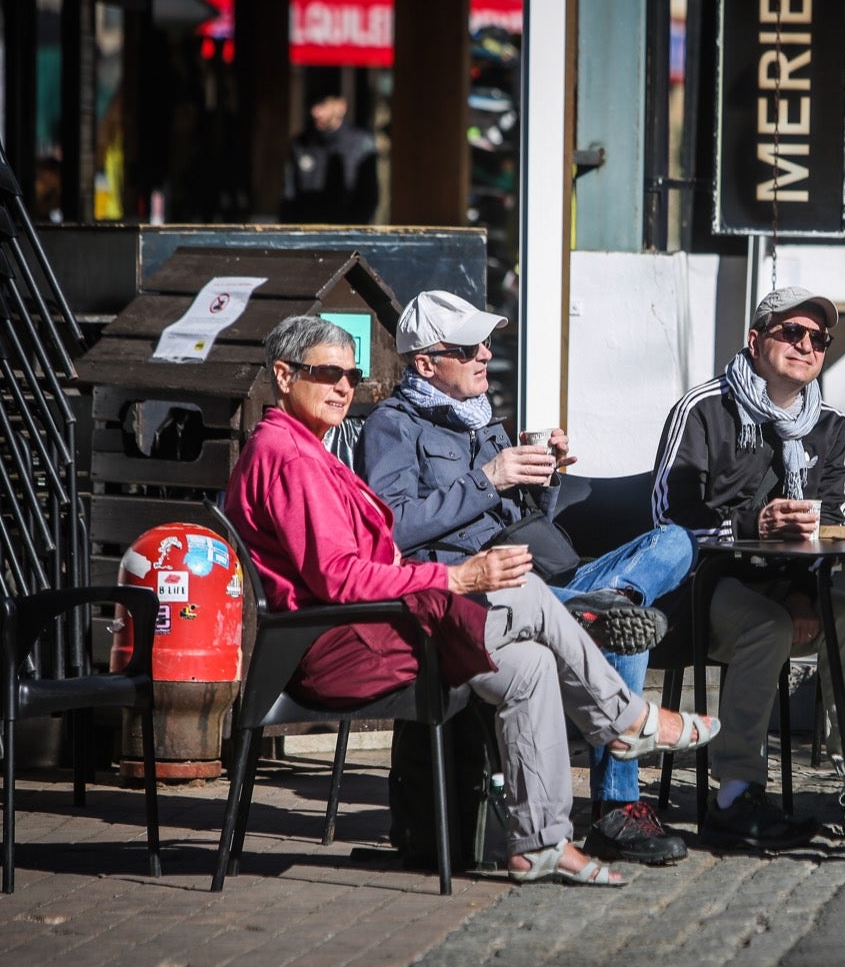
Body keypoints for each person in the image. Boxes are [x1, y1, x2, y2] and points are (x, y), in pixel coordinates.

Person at [224, 315, 718, 886]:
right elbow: (342, 578)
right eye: (327, 373)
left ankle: (543, 842)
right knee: (526, 593)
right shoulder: (291, 457)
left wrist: (540, 482)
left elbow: (510, 529)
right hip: (341, 645)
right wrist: (458, 580)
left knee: (528, 666)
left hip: (372, 625)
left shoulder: (308, 449)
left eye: (352, 374)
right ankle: (626, 716)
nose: (343, 387)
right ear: (283, 376)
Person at [360, 290, 697, 866]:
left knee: (675, 539)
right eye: (468, 348)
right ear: (424, 363)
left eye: (487, 344)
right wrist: (490, 478)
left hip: (552, 572)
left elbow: (522, 521)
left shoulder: (483, 420)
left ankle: (607, 601)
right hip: (486, 584)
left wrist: (543, 482)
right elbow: (390, 529)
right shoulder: (393, 426)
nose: (485, 355)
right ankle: (616, 809)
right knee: (618, 628)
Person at [652, 286, 845, 850]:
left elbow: (836, 516)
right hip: (707, 587)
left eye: (819, 339)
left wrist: (807, 592)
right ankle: (736, 793)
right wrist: (751, 524)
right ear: (757, 341)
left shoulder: (829, 425)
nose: (807, 345)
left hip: (791, 585)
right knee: (769, 624)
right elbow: (668, 515)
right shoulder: (704, 408)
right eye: (792, 333)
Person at [281, 92, 380, 223]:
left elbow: (369, 198)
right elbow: (290, 194)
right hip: (306, 232)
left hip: (348, 233)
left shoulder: (361, 144)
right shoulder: (301, 144)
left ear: (341, 107)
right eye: (312, 105)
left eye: (322, 105)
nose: (315, 112)